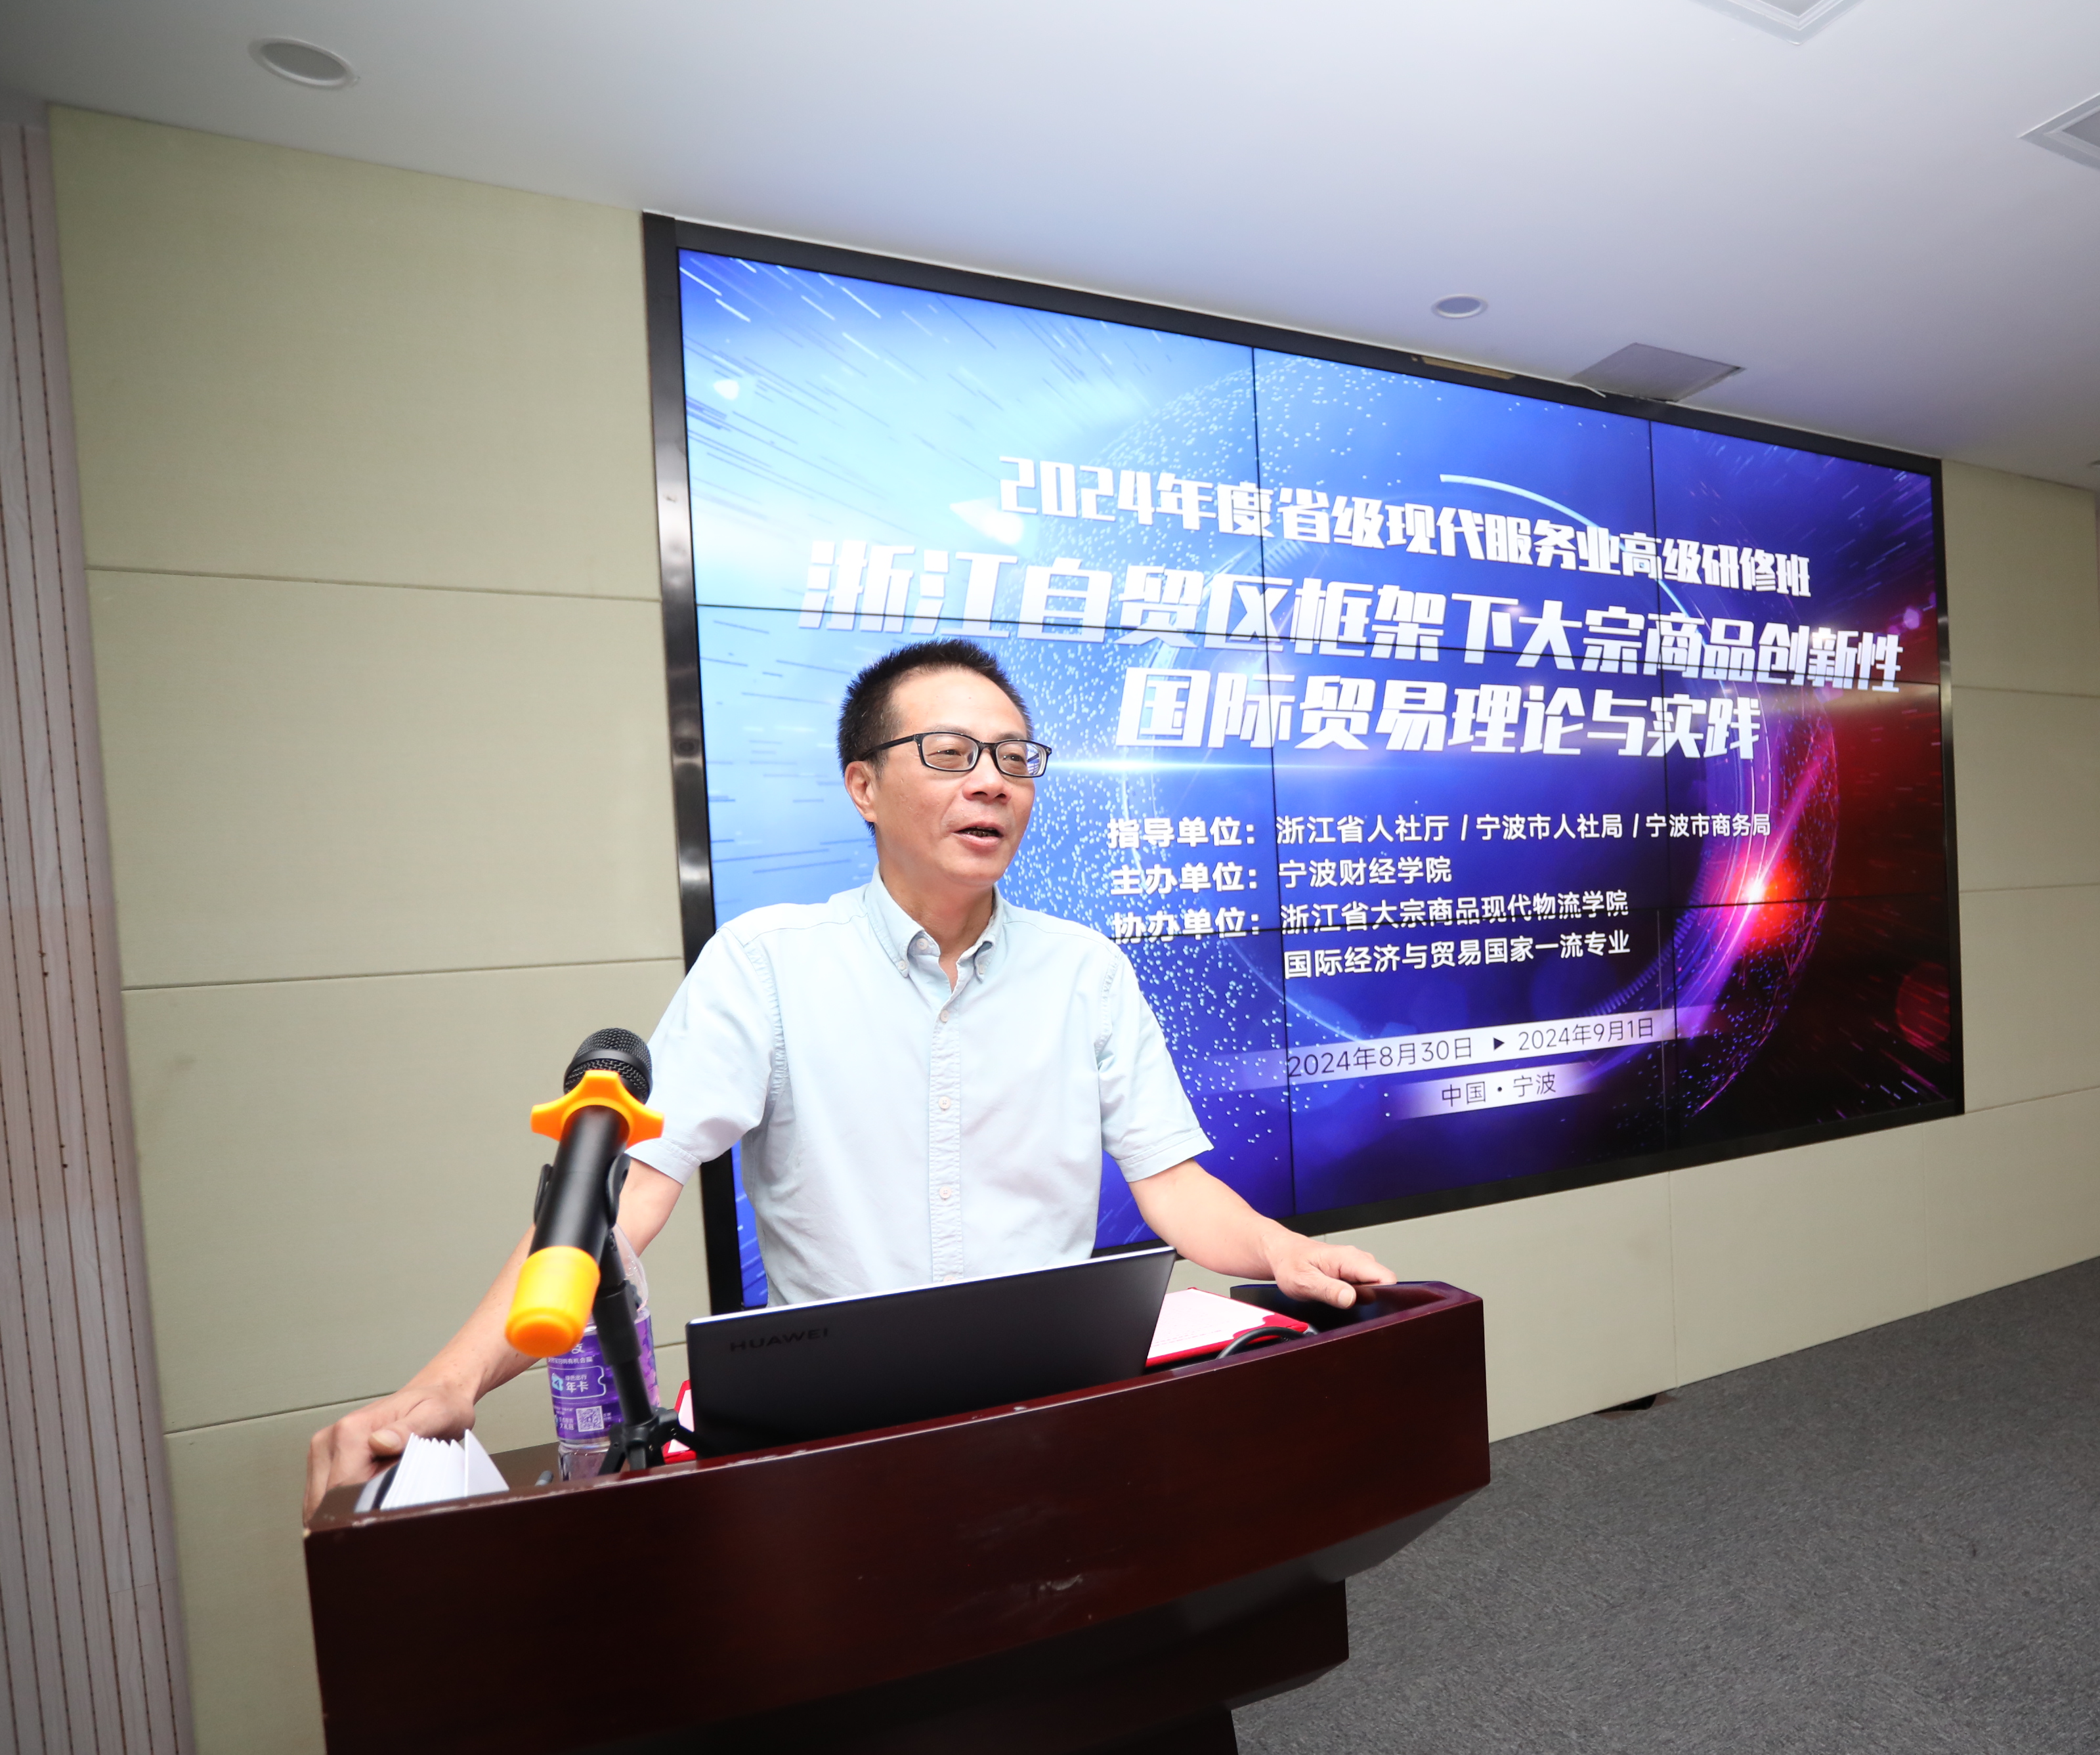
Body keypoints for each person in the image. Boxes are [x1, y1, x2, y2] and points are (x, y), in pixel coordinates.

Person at [306, 639, 1391, 1515]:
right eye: (952, 753)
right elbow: (621, 1199)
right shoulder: (766, 964)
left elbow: (1173, 1184)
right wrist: (446, 1385)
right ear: (863, 786)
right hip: (840, 1442)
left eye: (1016, 759)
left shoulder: (1086, 971)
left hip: (1057, 1412)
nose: (993, 782)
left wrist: (1282, 1253)